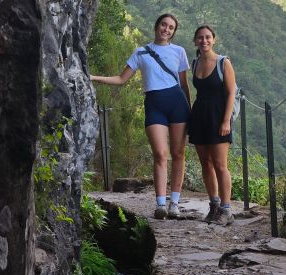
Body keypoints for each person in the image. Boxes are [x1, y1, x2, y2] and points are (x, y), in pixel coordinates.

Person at [90, 13, 191, 220]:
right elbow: (121, 79)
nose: (166, 29)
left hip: (178, 106)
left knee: (178, 153)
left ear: (173, 32)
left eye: (171, 27)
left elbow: (184, 84)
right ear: (157, 26)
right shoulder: (141, 52)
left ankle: (174, 203)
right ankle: (161, 204)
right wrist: (92, 77)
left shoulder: (179, 52)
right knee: (160, 154)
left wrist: (190, 111)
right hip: (154, 106)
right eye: (164, 25)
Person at [188, 25, 236, 226]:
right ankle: (214, 206)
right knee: (205, 163)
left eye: (208, 37)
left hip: (218, 115)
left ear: (214, 39)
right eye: (200, 38)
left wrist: (226, 121)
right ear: (195, 41)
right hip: (199, 115)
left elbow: (232, 92)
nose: (204, 41)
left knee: (220, 164)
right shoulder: (195, 62)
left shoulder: (223, 63)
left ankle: (226, 210)